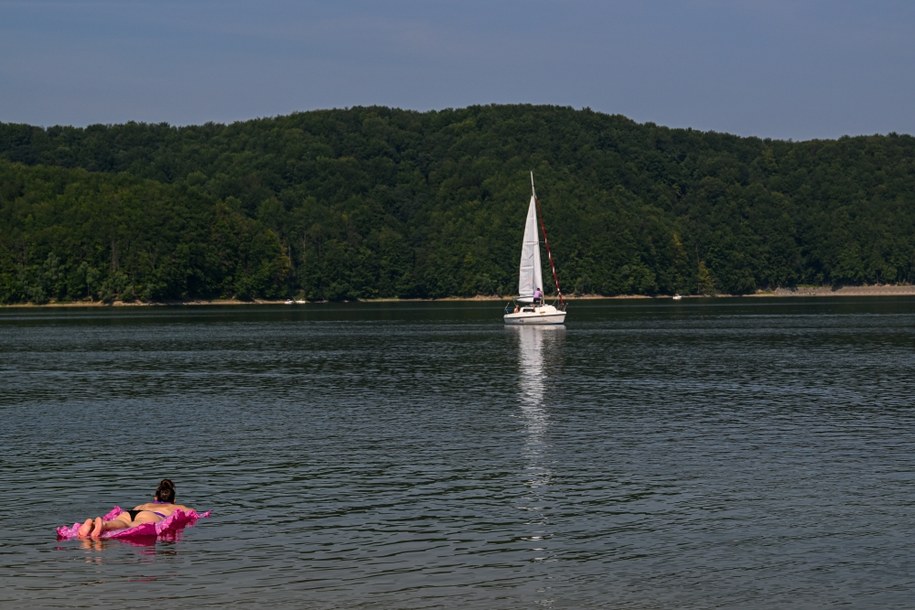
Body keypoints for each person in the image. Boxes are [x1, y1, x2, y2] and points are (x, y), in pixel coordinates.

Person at [76, 479, 196, 540]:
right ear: (174, 500)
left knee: (123, 522)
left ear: (155, 498)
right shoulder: (176, 506)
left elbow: (136, 510)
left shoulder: (145, 504)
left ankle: (103, 523)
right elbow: (192, 513)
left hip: (133, 512)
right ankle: (102, 525)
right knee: (131, 526)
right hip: (151, 515)